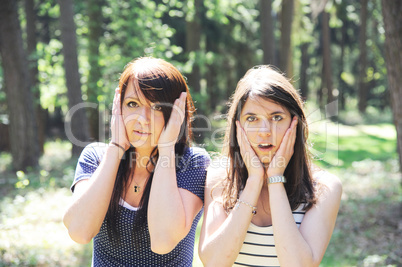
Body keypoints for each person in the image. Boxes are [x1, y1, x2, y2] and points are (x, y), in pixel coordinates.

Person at [63, 57, 210, 266]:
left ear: (177, 113)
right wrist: (116, 147)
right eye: (133, 104)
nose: (143, 118)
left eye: (158, 107)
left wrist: (166, 149)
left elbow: (163, 241)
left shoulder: (192, 163)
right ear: (119, 108)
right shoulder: (96, 157)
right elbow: (80, 232)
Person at [198, 65, 342, 266]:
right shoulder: (220, 178)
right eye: (252, 119)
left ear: (295, 123)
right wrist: (254, 180)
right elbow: (215, 262)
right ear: (237, 126)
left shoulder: (324, 187)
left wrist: (275, 179)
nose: (265, 131)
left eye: (276, 117)